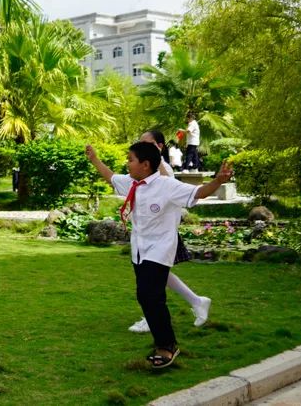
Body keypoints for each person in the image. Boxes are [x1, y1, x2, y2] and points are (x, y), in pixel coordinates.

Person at [85, 142, 232, 369]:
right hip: (139, 250)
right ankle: (165, 340)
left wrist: (218, 181)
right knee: (146, 297)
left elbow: (198, 193)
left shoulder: (166, 186)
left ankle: (167, 346)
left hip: (161, 249)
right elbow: (111, 177)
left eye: (131, 159)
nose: (127, 163)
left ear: (145, 165)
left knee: (150, 295)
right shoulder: (132, 183)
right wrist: (94, 159)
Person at [126, 132, 212, 334]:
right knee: (157, 276)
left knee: (152, 279)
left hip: (161, 235)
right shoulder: (143, 169)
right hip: (146, 236)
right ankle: (197, 301)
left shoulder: (164, 173)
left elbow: (168, 188)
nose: (142, 145)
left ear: (160, 146)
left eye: (147, 143)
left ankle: (154, 320)